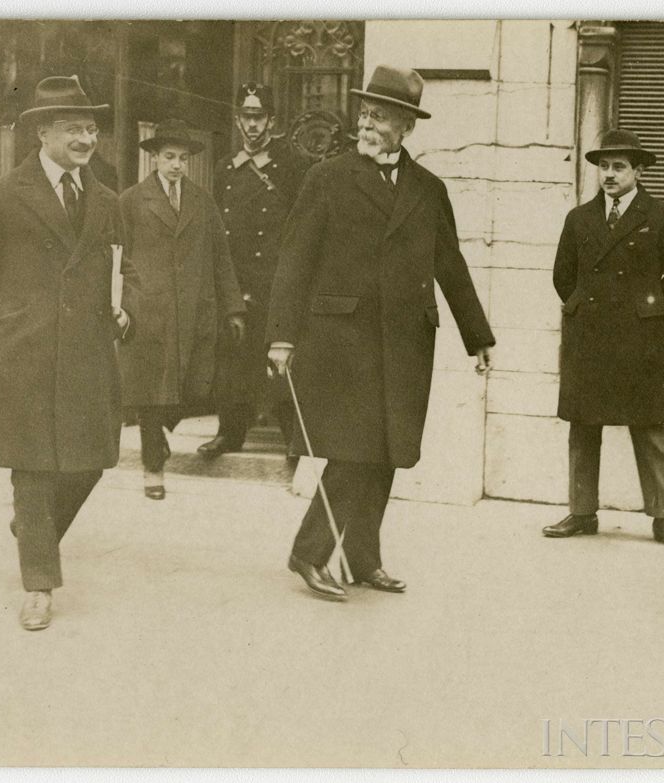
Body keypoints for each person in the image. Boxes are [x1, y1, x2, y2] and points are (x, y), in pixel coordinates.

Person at [268, 65, 495, 601]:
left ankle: (364, 559)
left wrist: (477, 334)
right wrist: (281, 335)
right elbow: (294, 261)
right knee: (353, 451)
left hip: (407, 340)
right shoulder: (327, 178)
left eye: (382, 118)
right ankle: (309, 553)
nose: (368, 126)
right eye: (366, 114)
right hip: (343, 340)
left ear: (406, 128)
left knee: (387, 450)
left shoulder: (429, 189)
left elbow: (451, 264)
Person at [0, 76, 131, 631]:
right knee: (33, 470)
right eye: (73, 127)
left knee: (89, 461)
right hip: (20, 352)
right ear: (42, 131)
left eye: (91, 128)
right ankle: (40, 584)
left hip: (87, 354)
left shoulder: (107, 199)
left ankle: (32, 528)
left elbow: (127, 270)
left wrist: (128, 309)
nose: (86, 138)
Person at [543, 129, 664, 551]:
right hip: (589, 335)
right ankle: (581, 511)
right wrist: (582, 308)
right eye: (603, 167)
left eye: (619, 167)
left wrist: (654, 320)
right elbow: (563, 276)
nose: (609, 175)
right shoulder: (579, 218)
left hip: (640, 337)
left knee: (648, 425)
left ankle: (662, 517)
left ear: (637, 170)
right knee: (583, 423)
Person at [118, 118, 245, 499]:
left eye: (183, 158)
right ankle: (152, 468)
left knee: (191, 387)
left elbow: (221, 258)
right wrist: (122, 304)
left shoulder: (202, 202)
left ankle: (160, 434)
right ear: (154, 158)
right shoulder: (130, 201)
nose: (176, 165)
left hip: (194, 309)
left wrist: (233, 308)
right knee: (149, 392)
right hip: (147, 311)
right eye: (169, 157)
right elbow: (115, 257)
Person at [199, 84, 307, 456]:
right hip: (236, 281)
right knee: (233, 359)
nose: (252, 125)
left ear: (272, 121)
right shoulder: (226, 168)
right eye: (246, 117)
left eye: (259, 117)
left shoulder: (292, 167)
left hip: (276, 281)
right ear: (237, 120)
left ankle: (295, 439)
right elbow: (216, 227)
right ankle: (230, 433)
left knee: (280, 361)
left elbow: (300, 226)